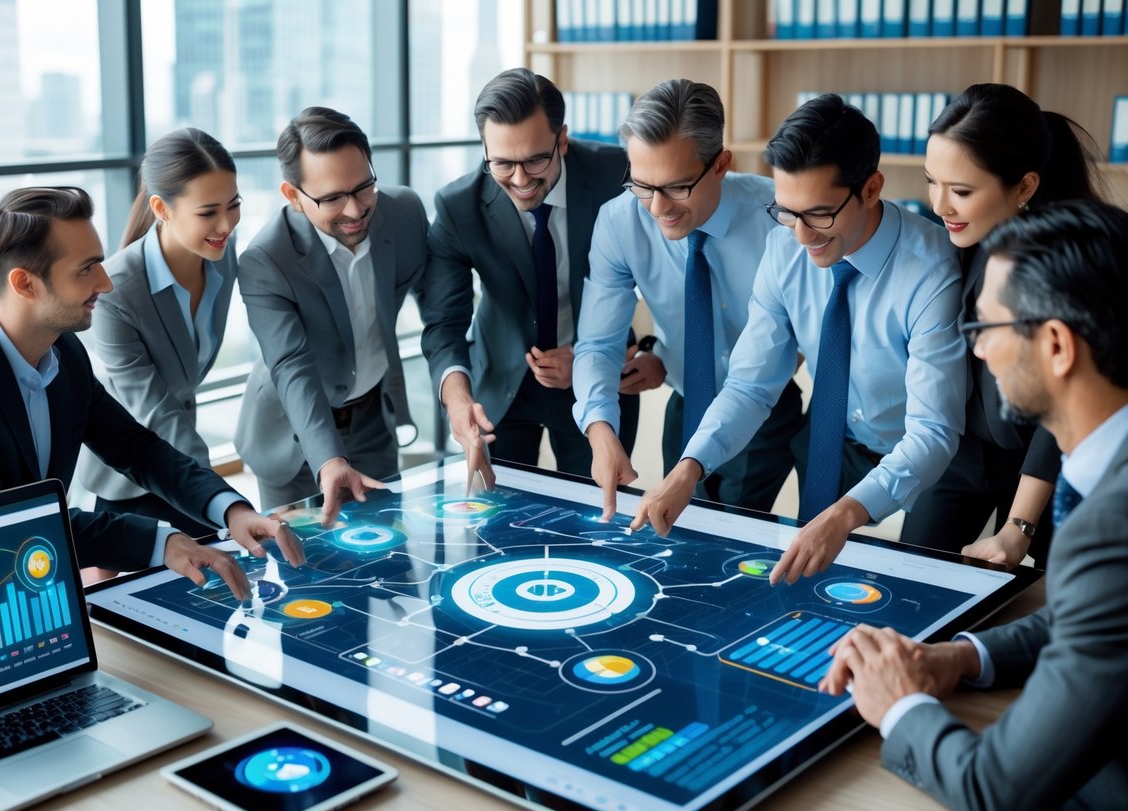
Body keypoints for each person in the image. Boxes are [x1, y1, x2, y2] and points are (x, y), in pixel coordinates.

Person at [821, 200, 1128, 811]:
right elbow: (1098, 622)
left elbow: (996, 793)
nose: (979, 354)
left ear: (1055, 345)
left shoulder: (1110, 528)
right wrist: (961, 657)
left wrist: (899, 705)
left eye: (985, 328)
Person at [631, 94, 966, 586]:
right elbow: (750, 385)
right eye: (788, 213)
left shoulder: (931, 268)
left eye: (819, 214)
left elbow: (933, 432)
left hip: (932, 456)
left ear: (872, 189)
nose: (803, 236)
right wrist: (688, 469)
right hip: (835, 438)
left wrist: (845, 514)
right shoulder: (783, 248)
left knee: (914, 591)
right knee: (810, 582)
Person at [0, 186, 300, 599]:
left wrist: (231, 509)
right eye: (86, 270)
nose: (106, 283)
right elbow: (5, 522)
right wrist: (160, 541)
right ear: (24, 283)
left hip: (30, 581)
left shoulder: (63, 350)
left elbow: (136, 448)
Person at [573, 78, 802, 520]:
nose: (658, 208)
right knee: (677, 535)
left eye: (677, 187)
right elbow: (599, 344)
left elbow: (801, 339)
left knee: (731, 543)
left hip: (764, 410)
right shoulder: (620, 222)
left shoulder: (780, 220)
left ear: (720, 165)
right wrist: (600, 429)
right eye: (642, 185)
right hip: (685, 402)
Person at [899, 83, 1104, 567]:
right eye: (933, 181)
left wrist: (1019, 526)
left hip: (1050, 457)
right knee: (907, 575)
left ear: (1025, 188)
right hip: (967, 451)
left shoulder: (1062, 265)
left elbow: (1065, 405)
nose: (940, 205)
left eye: (962, 191)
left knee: (1060, 597)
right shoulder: (957, 241)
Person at [414, 67, 638, 487]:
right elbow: (444, 325)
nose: (520, 180)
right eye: (501, 163)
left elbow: (659, 272)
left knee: (600, 520)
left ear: (563, 138)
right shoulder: (457, 207)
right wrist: (457, 399)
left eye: (536, 159)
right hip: (501, 385)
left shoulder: (617, 176)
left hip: (598, 380)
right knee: (503, 524)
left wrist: (601, 355)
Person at [234, 107, 427, 518]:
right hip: (291, 438)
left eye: (363, 188)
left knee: (387, 555)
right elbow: (290, 364)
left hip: (373, 419)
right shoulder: (265, 260)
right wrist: (329, 459)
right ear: (294, 197)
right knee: (305, 573)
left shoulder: (405, 213)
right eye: (333, 198)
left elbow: (440, 304)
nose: (356, 211)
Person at [78, 128, 241, 537]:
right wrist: (220, 496)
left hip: (183, 460)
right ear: (161, 209)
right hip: (129, 473)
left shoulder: (220, 255)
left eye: (233, 205)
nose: (226, 224)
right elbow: (156, 410)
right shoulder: (114, 290)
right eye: (208, 213)